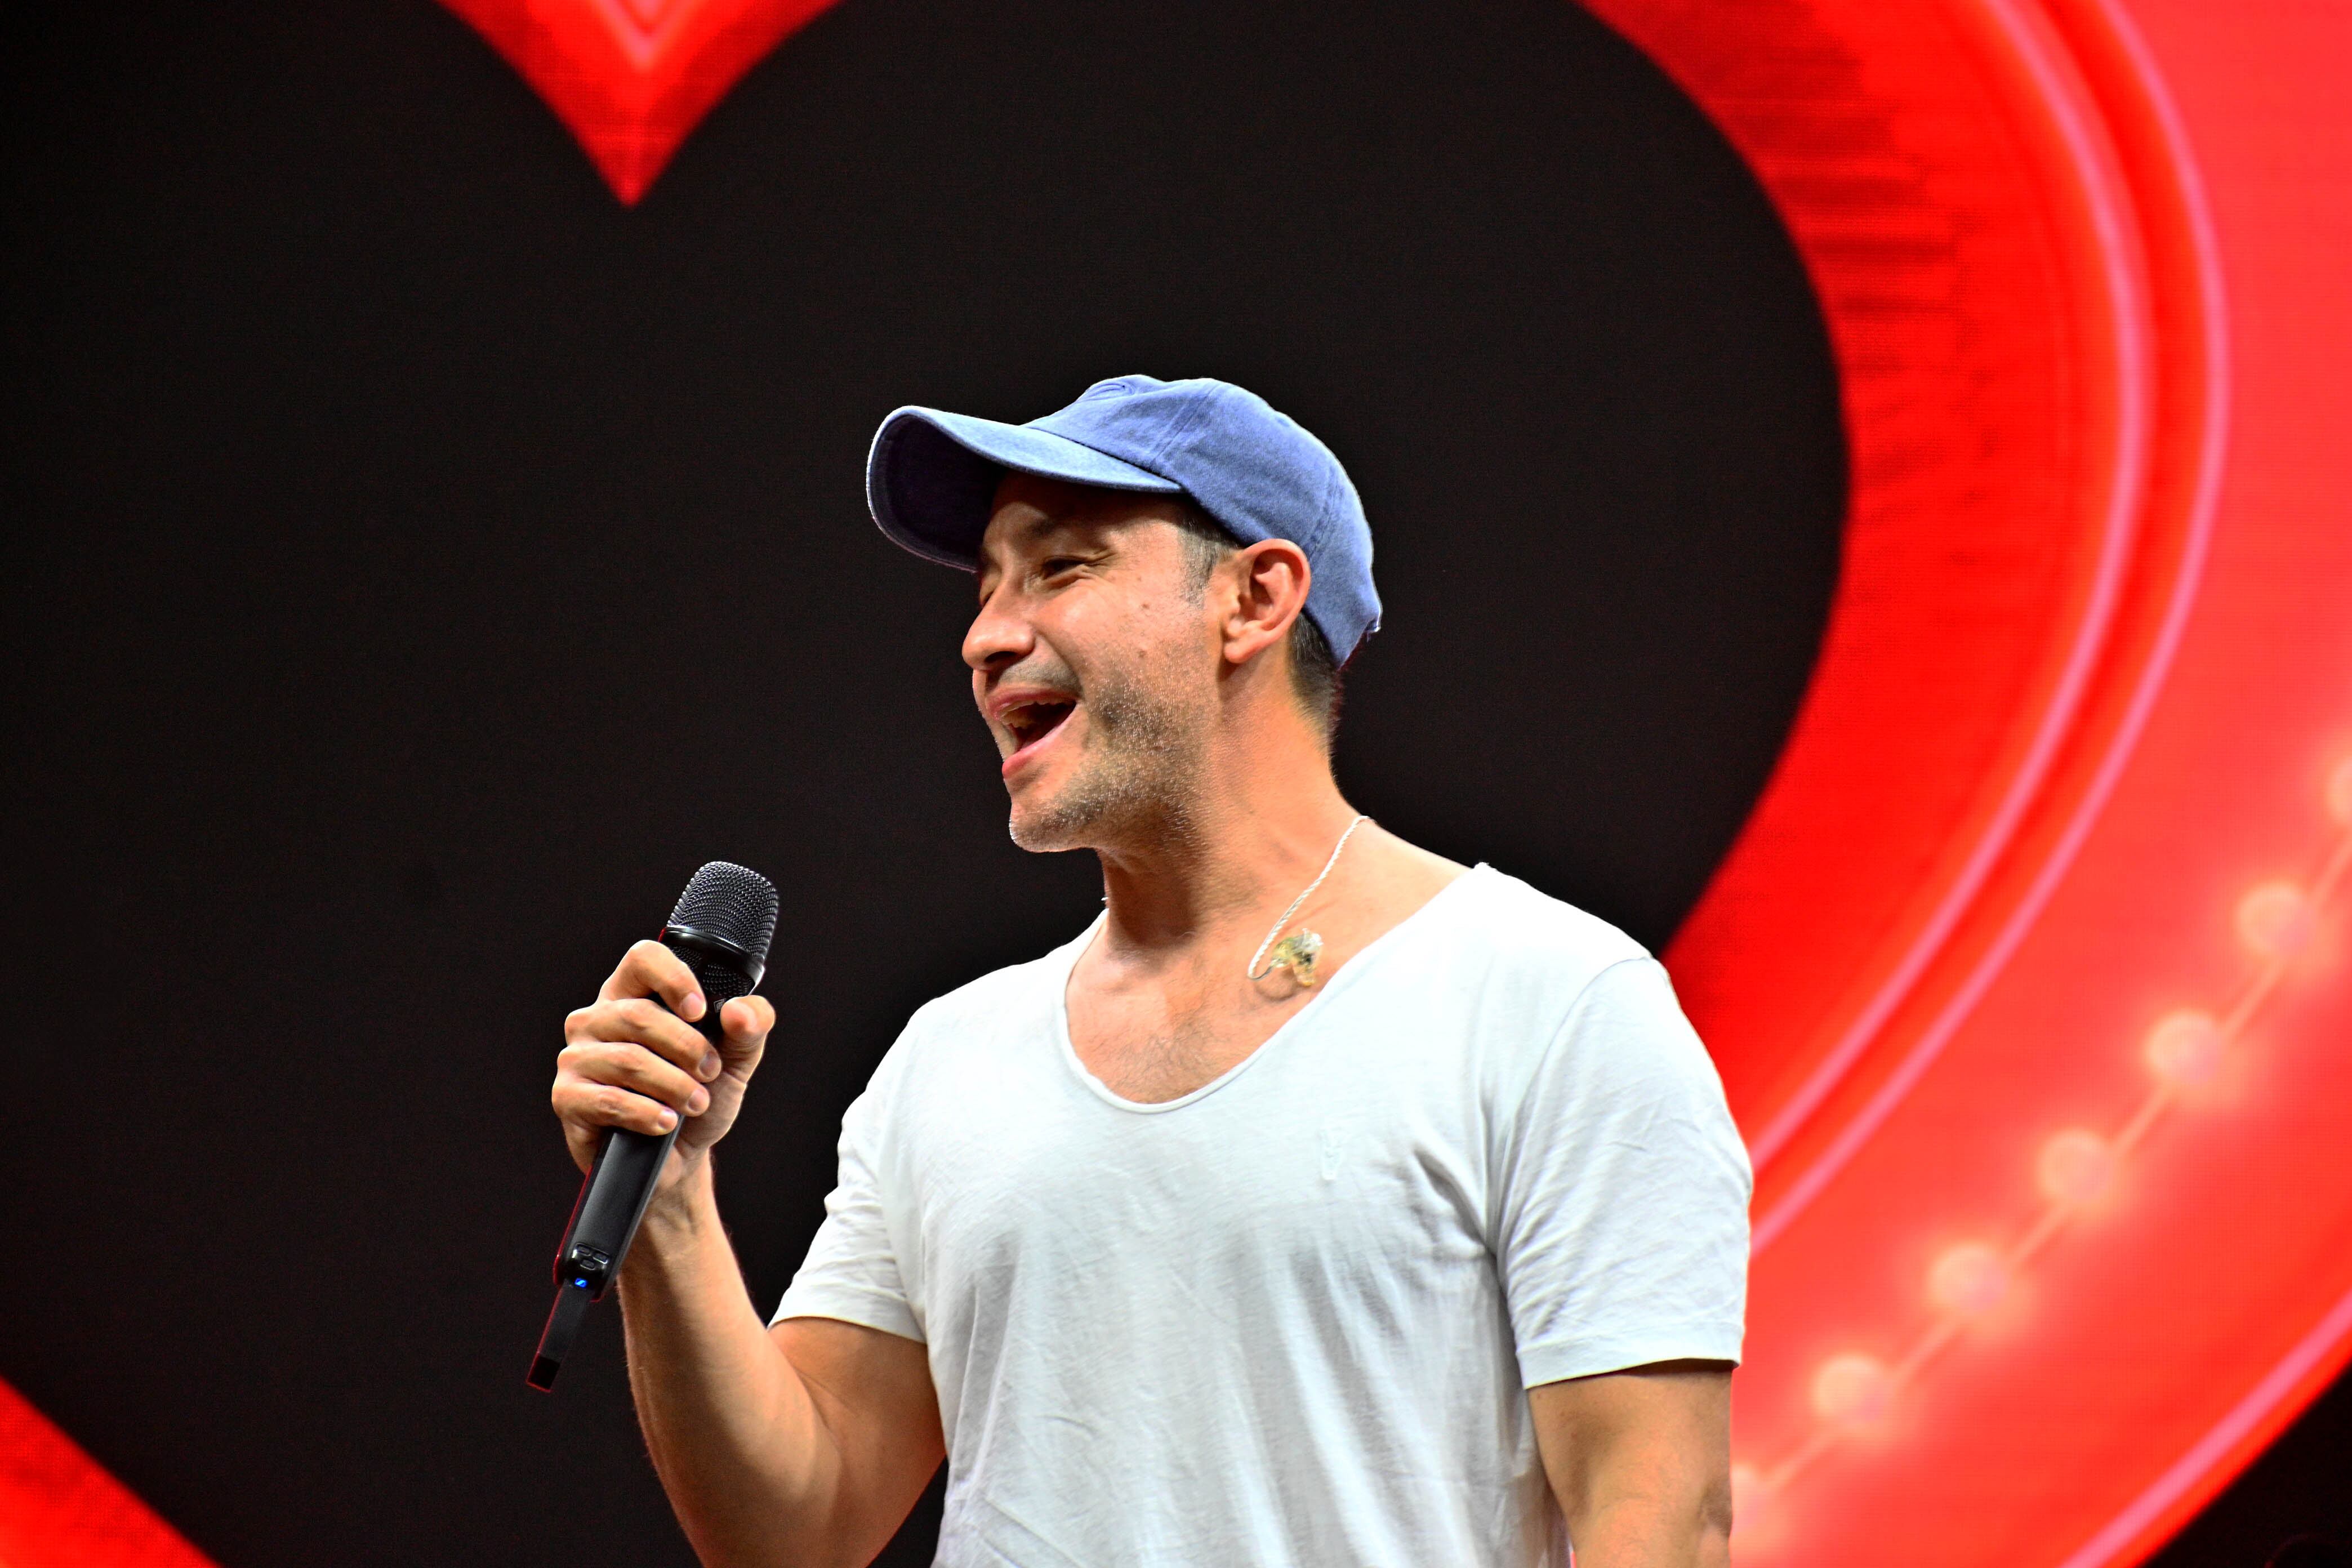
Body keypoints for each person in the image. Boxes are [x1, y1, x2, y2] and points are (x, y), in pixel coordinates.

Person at [550, 375, 1753, 1567]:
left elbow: (1659, 1524)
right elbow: (791, 1534)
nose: (984, 638)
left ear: (1255, 599)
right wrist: (674, 1206)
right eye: (984, 589)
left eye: (1059, 568)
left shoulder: (1549, 1002)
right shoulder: (950, 1058)